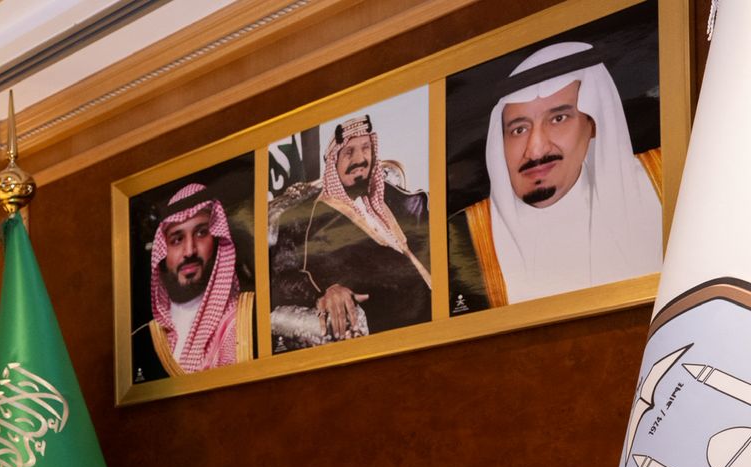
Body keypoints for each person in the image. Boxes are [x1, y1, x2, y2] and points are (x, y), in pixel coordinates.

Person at [448, 41, 663, 312]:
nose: (535, 149)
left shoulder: (661, 183)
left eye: (558, 119)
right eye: (519, 129)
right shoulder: (465, 235)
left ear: (593, 124)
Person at [270, 115, 431, 344]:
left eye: (366, 148)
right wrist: (326, 290)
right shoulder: (305, 218)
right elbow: (282, 281)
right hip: (394, 328)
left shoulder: (401, 200)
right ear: (333, 162)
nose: (360, 159)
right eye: (348, 152)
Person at [144, 182, 253, 373]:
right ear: (163, 252)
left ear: (217, 240)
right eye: (177, 239)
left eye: (201, 233)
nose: (189, 251)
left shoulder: (243, 319)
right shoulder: (147, 337)